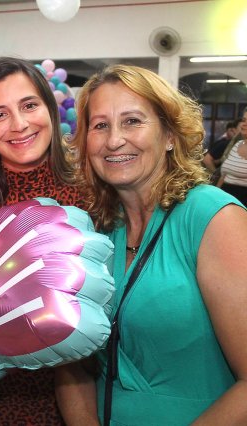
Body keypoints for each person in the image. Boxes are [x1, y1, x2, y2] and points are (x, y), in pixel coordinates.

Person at [57, 64, 247, 425]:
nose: (114, 140)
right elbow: (73, 363)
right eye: (100, 126)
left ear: (170, 134)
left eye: (132, 121)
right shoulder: (96, 229)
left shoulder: (213, 219)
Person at [0, 56, 85, 424]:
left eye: (29, 105)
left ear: (50, 110)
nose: (19, 124)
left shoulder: (91, 194)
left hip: (76, 390)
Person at [217, 108, 247, 204]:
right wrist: (216, 198)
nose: (244, 124)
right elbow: (224, 176)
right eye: (243, 120)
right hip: (224, 200)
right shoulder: (237, 144)